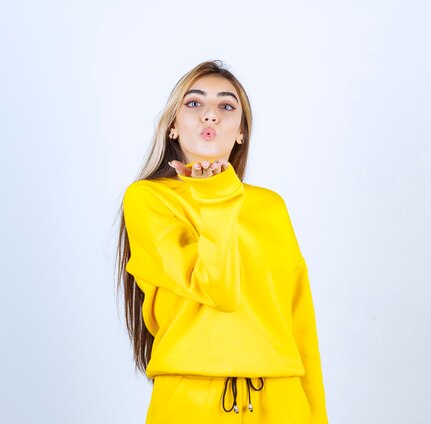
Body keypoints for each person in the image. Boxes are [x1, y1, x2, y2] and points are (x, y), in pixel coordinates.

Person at [116, 60, 329, 423]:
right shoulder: (147, 199)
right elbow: (218, 289)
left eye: (226, 106)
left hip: (282, 400)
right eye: (194, 103)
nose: (210, 115)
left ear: (241, 132)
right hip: (191, 401)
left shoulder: (271, 206)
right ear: (172, 126)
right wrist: (215, 195)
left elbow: (300, 324)